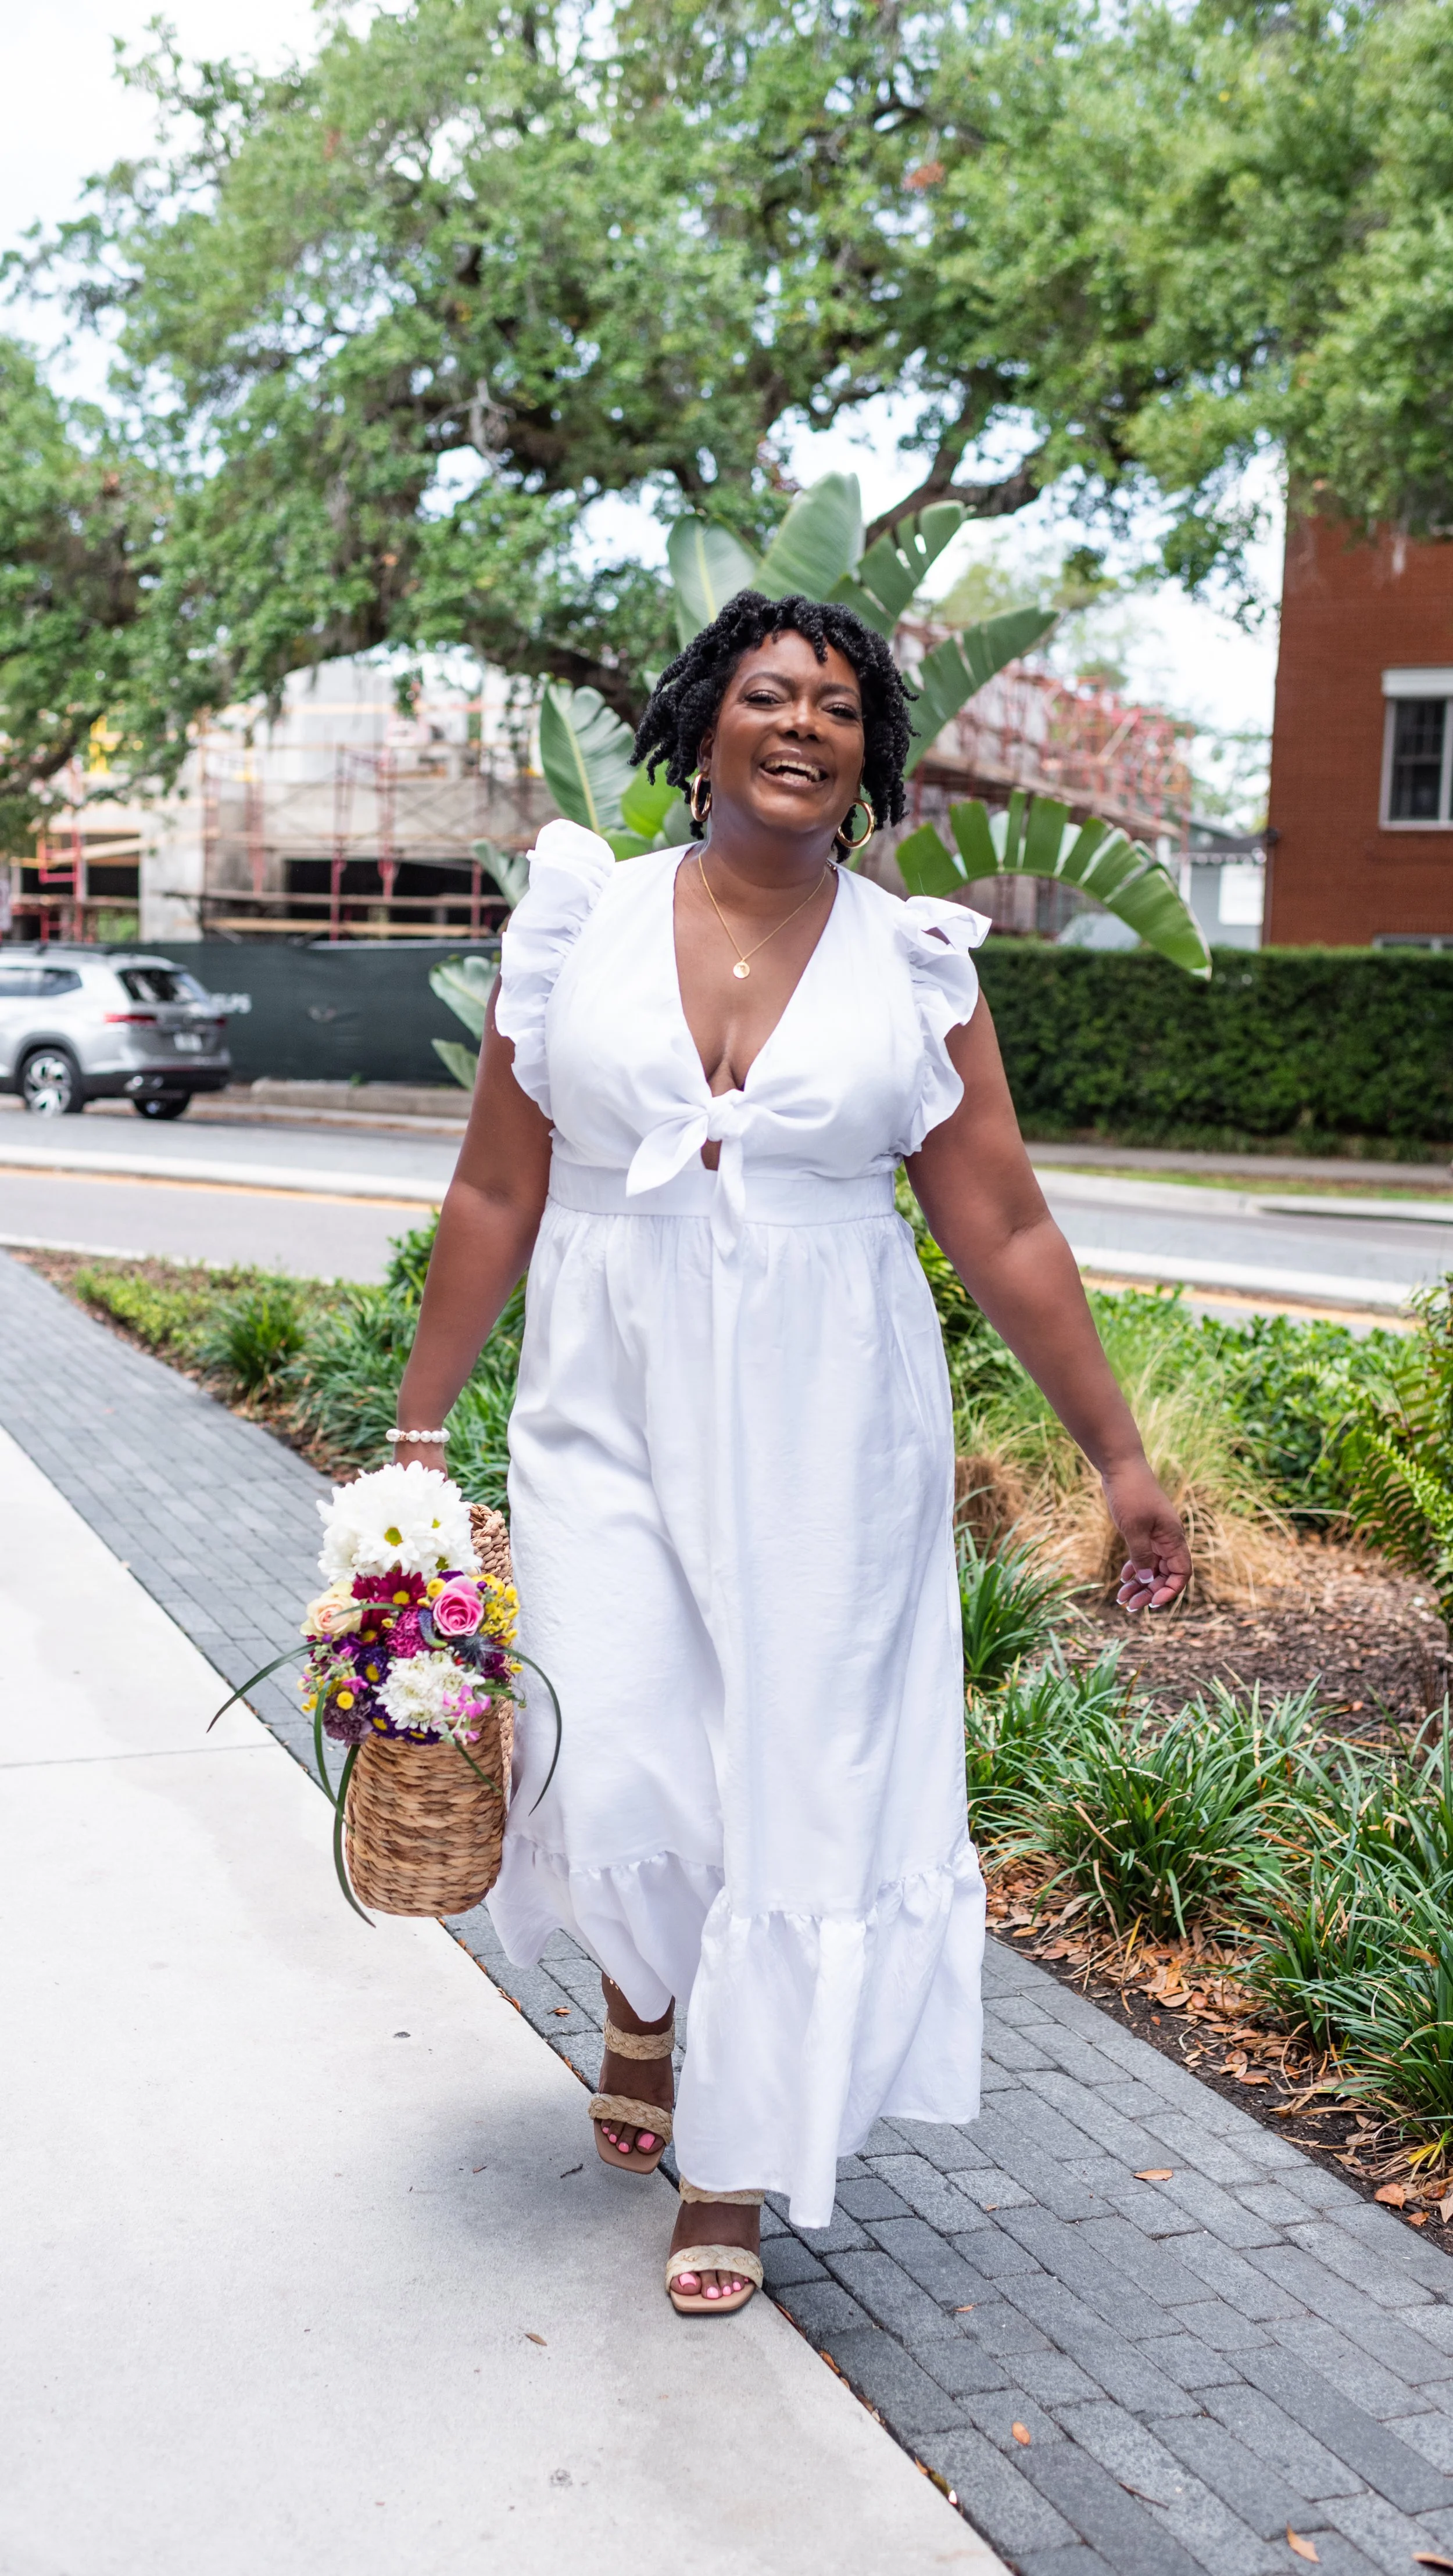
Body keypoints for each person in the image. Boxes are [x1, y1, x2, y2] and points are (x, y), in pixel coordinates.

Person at [392, 590, 1191, 2316]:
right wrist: (411, 1429)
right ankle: (643, 1997)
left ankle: (731, 2168)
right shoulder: (580, 922)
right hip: (602, 1390)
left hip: (832, 1421)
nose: (803, 724)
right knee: (607, 1738)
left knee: (791, 1781)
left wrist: (1118, 1460)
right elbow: (495, 1189)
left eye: (838, 705)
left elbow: (1007, 1230)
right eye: (768, 694)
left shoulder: (914, 967)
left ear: (867, 758)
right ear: (701, 728)